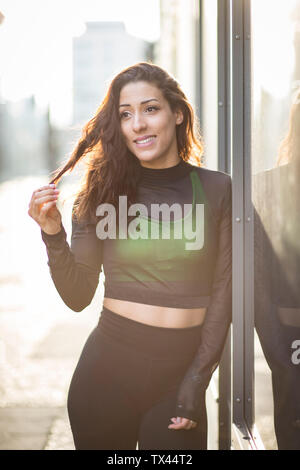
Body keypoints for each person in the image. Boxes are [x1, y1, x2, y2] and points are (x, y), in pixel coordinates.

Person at [28, 62, 232, 450]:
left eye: (150, 109)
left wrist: (196, 380)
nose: (138, 124)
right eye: (126, 114)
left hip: (179, 378)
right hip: (104, 377)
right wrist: (53, 234)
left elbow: (224, 295)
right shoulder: (99, 194)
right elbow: (77, 297)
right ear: (117, 126)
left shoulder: (218, 190)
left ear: (177, 113)